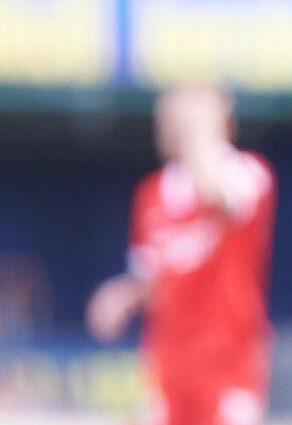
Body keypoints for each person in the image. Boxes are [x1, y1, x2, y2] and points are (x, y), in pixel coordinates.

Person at [87, 86, 276, 425]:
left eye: (183, 118)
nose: (172, 126)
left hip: (229, 367)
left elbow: (219, 197)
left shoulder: (247, 171)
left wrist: (202, 131)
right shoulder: (151, 192)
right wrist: (123, 294)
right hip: (169, 369)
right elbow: (154, 278)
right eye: (166, 118)